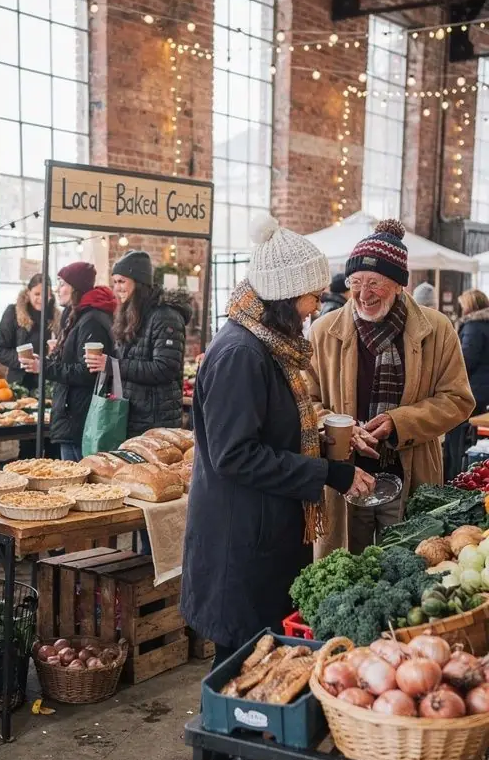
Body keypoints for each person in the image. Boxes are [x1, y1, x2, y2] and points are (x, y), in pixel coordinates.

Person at [180, 218, 374, 654]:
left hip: (263, 530)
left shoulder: (267, 345)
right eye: (312, 296)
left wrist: (325, 441)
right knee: (242, 667)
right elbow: (236, 455)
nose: (316, 307)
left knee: (262, 663)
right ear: (285, 297)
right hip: (242, 542)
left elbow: (271, 430)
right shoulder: (241, 354)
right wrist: (329, 472)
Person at [309, 220, 474, 554]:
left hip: (410, 476)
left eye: (374, 283)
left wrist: (400, 423)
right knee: (346, 566)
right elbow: (304, 402)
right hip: (344, 478)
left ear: (400, 284)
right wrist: (340, 428)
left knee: (406, 563)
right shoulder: (323, 331)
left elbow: (458, 399)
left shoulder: (437, 330)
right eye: (356, 282)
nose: (363, 293)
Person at [86, 250, 190, 439]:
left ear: (139, 282)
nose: (117, 288)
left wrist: (112, 365)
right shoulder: (131, 314)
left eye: (122, 281)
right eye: (115, 282)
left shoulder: (166, 316)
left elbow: (165, 368)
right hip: (132, 415)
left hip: (156, 421)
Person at [20, 261, 115, 461]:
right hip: (73, 414)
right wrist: (46, 361)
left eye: (62, 284)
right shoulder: (76, 316)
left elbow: (87, 372)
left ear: (75, 288)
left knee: (77, 483)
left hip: (80, 418)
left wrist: (43, 367)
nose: (57, 289)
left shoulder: (91, 320)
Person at [445, 288, 489, 480]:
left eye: (463, 305)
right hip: (484, 389)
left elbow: (464, 361)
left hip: (472, 390)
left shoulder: (473, 326)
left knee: (456, 435)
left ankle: (454, 475)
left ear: (470, 306)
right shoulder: (485, 324)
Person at [0, 273, 58, 391]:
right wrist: (23, 360)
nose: (41, 299)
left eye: (45, 295)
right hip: (18, 384)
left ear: (51, 296)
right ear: (28, 293)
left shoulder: (57, 318)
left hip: (47, 384)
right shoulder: (13, 313)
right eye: (37, 294)